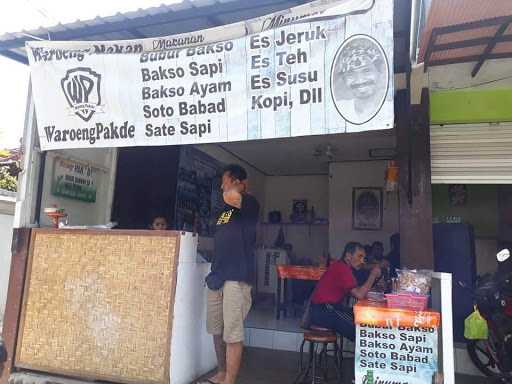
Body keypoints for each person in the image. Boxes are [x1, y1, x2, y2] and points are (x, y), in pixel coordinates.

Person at [203, 164, 260, 384]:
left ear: (237, 182)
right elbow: (219, 233)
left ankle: (230, 381)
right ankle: (221, 373)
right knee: (216, 330)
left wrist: (238, 187)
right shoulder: (224, 211)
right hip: (217, 275)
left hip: (237, 276)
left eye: (225, 181)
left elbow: (232, 196)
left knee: (232, 333)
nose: (221, 186)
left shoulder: (250, 203)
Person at [310, 242, 381, 341]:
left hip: (326, 309)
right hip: (324, 311)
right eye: (359, 256)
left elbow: (361, 280)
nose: (362, 261)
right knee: (361, 333)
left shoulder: (343, 266)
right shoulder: (342, 269)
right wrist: (373, 275)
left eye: (363, 257)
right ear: (348, 256)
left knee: (360, 318)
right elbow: (360, 294)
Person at [332, 36, 387, 124]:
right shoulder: (337, 111)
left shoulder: (388, 110)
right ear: (344, 79)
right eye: (350, 73)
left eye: (366, 71)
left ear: (379, 71)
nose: (360, 80)